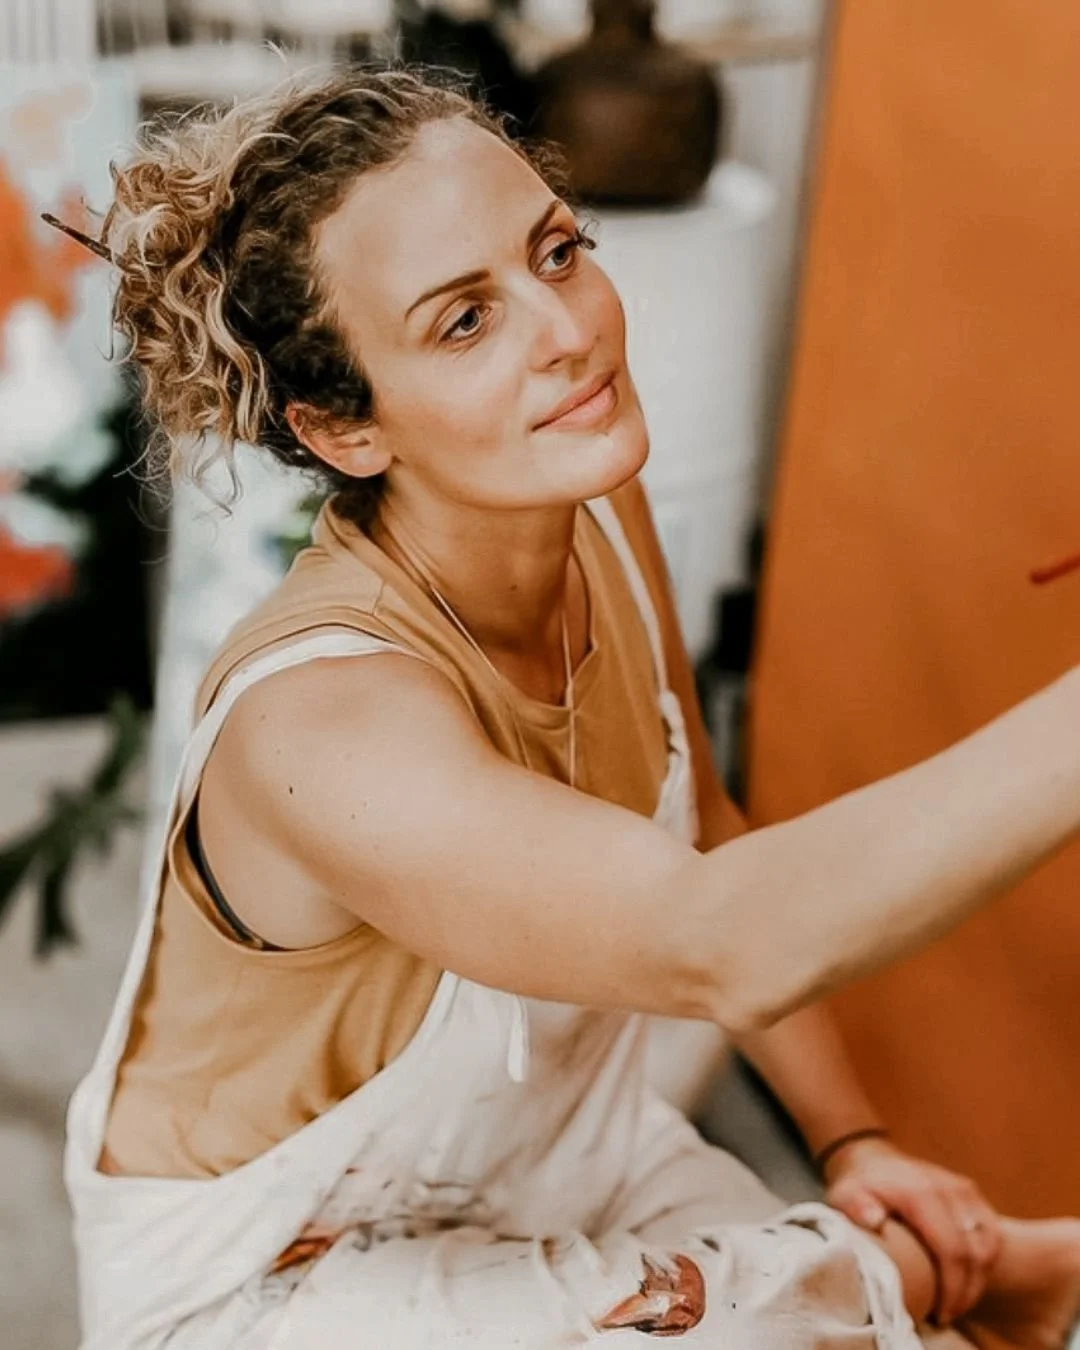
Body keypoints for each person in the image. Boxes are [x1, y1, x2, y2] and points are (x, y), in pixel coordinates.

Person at [61, 67, 1080, 1350]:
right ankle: (959, 1279)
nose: (566, 330)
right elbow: (723, 937)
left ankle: (909, 1276)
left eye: (557, 251)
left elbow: (708, 828)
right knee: (788, 1325)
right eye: (463, 323)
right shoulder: (321, 723)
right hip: (271, 1286)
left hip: (553, 1168)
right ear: (343, 431)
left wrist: (854, 1139)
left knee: (804, 1315)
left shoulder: (589, 502)